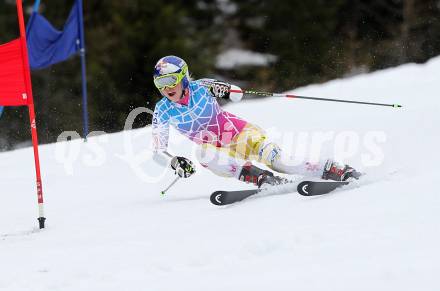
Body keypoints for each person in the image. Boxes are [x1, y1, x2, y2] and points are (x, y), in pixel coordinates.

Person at [151, 55, 360, 188]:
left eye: (171, 80)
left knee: (280, 161)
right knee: (202, 153)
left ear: (184, 77)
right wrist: (174, 161)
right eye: (160, 83)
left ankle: (331, 168)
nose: (166, 88)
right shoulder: (162, 110)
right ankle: (257, 176)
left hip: (240, 134)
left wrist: (223, 90)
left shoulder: (202, 86)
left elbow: (237, 95)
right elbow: (158, 151)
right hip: (221, 153)